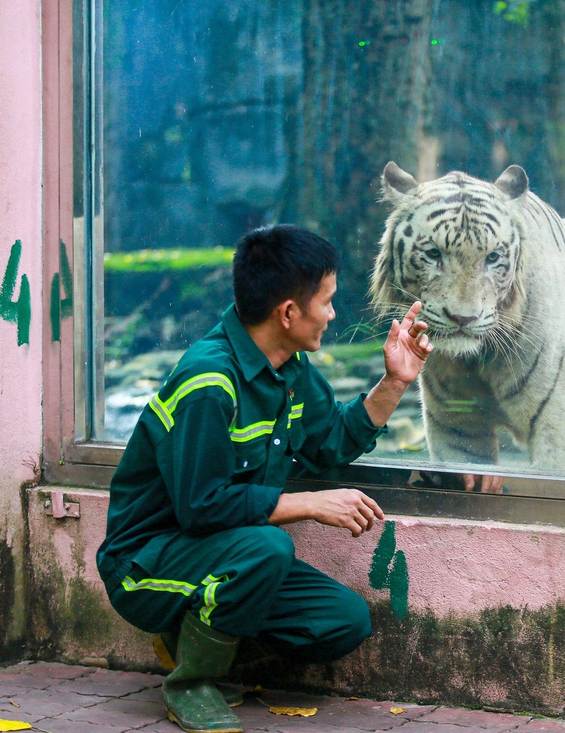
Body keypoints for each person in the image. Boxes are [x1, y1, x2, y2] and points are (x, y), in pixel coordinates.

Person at [96, 224, 433, 733]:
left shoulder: (291, 368)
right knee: (269, 547)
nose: (333, 314)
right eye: (327, 301)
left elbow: (332, 442)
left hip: (225, 554)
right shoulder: (208, 382)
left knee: (343, 620)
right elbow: (201, 507)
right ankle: (191, 684)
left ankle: (191, 643)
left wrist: (395, 381)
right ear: (289, 313)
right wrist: (312, 505)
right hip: (145, 562)